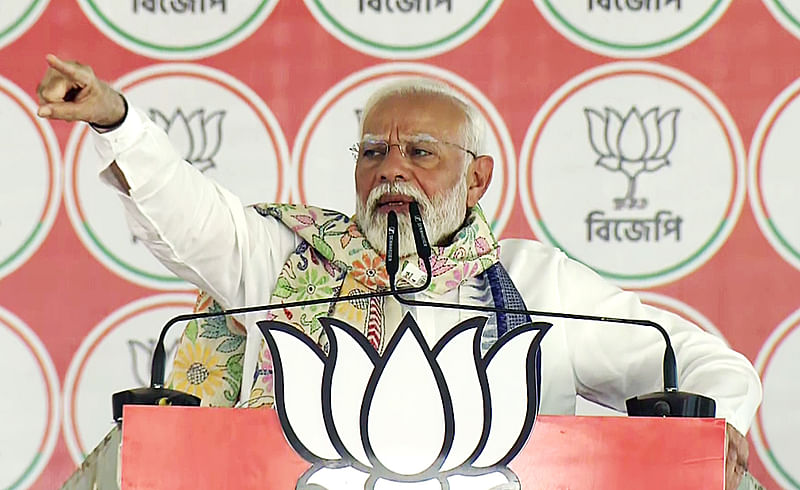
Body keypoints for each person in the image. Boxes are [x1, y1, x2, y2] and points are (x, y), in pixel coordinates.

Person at [37, 54, 760, 488]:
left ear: (475, 181)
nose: (392, 172)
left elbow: (689, 360)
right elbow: (191, 217)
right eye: (374, 153)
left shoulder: (537, 285)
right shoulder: (291, 260)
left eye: (420, 153)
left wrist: (715, 424)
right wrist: (115, 120)